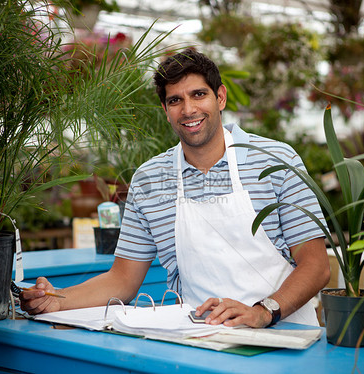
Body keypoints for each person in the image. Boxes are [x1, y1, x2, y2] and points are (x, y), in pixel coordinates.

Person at [20, 49, 330, 328]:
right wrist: (55, 299)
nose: (188, 109)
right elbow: (123, 279)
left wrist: (264, 311)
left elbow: (316, 265)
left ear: (220, 97)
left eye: (198, 95)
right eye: (175, 100)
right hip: (200, 339)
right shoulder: (149, 179)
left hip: (284, 335)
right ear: (166, 110)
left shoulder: (276, 161)